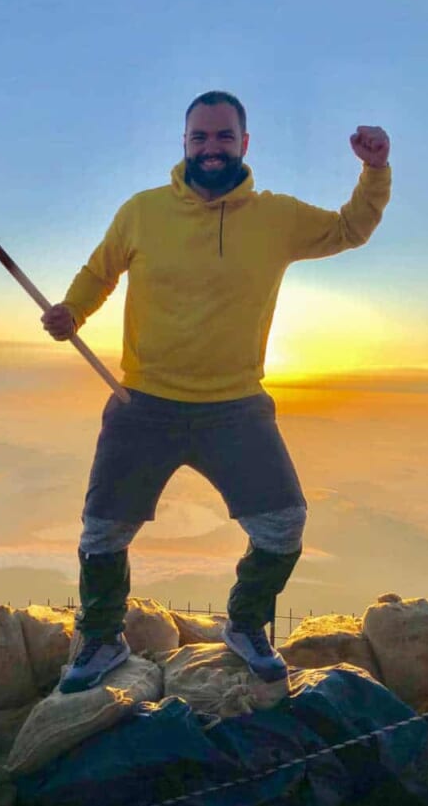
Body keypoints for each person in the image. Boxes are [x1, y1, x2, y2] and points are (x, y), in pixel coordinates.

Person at [42, 90, 391, 694]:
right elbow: (101, 272)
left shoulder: (275, 216)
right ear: (183, 144)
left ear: (244, 144)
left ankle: (246, 623)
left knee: (282, 524)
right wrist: (72, 309)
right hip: (142, 402)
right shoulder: (142, 211)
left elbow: (349, 228)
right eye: (199, 137)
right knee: (103, 532)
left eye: (223, 137)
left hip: (235, 407)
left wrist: (375, 169)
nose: (211, 148)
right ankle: (100, 636)